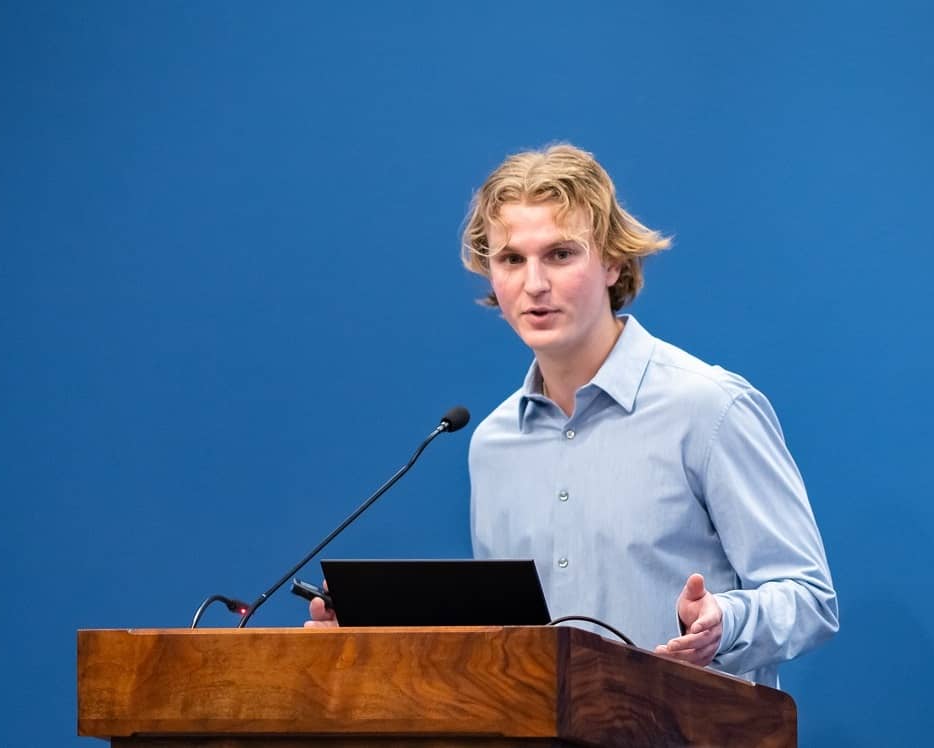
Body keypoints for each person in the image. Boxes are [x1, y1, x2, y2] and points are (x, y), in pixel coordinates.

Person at [309, 143, 837, 688]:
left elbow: (809, 598)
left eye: (560, 254)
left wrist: (724, 625)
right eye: (512, 259)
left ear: (612, 261)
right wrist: (373, 633)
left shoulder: (708, 408)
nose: (534, 284)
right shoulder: (492, 442)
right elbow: (503, 639)